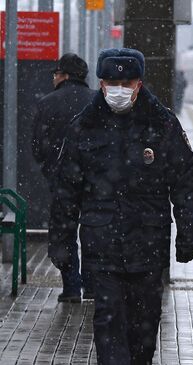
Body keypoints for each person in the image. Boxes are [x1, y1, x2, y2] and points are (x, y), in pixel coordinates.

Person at [48, 48, 193, 364]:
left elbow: (185, 183)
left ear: (140, 83)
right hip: (101, 247)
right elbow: (66, 192)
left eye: (127, 81)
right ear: (101, 83)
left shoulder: (162, 125)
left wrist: (190, 236)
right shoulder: (84, 127)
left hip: (147, 248)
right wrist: (61, 243)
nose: (119, 88)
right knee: (108, 324)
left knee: (144, 333)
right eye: (112, 81)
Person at [31, 53, 96, 303]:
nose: (54, 78)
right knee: (93, 231)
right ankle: (91, 287)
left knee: (64, 233)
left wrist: (51, 167)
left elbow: (38, 147)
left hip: (63, 180)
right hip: (97, 181)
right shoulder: (97, 101)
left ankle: (71, 288)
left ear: (65, 76)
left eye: (56, 74)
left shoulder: (47, 103)